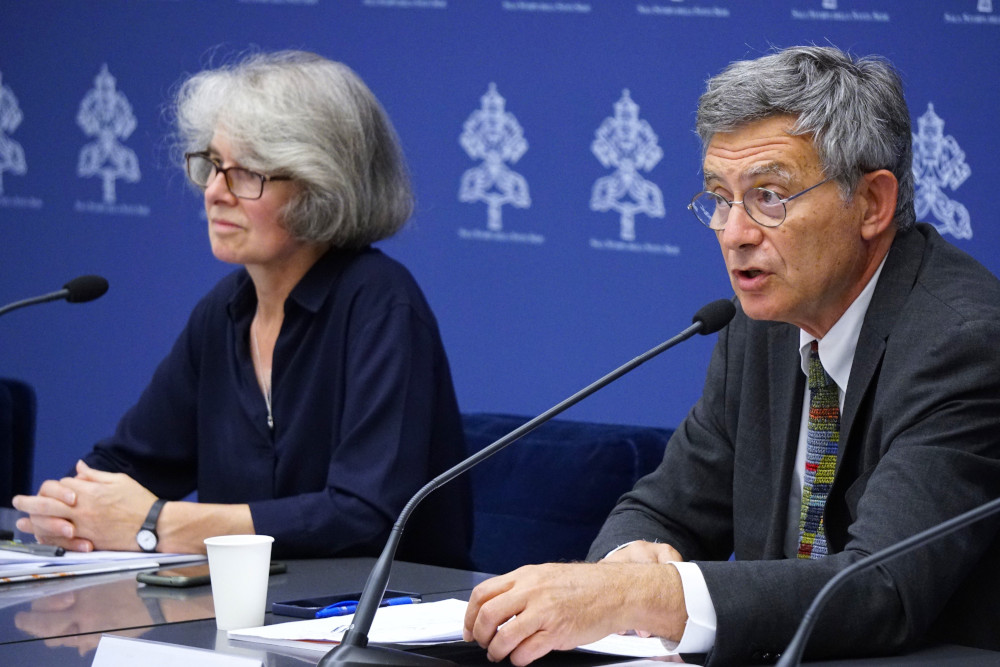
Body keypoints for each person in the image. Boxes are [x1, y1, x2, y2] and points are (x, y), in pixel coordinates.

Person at [463, 45, 1000, 665]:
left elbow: (878, 588)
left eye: (770, 196)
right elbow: (662, 508)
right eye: (721, 197)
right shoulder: (763, 327)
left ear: (873, 204)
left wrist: (650, 594)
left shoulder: (966, 343)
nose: (736, 232)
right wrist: (628, 562)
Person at [12, 50, 470, 566]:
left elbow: (362, 515)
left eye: (246, 173)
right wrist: (72, 509)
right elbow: (127, 466)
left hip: (379, 622)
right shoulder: (227, 309)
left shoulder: (382, 305)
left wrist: (155, 524)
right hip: (245, 613)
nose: (213, 192)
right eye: (211, 165)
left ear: (321, 187)